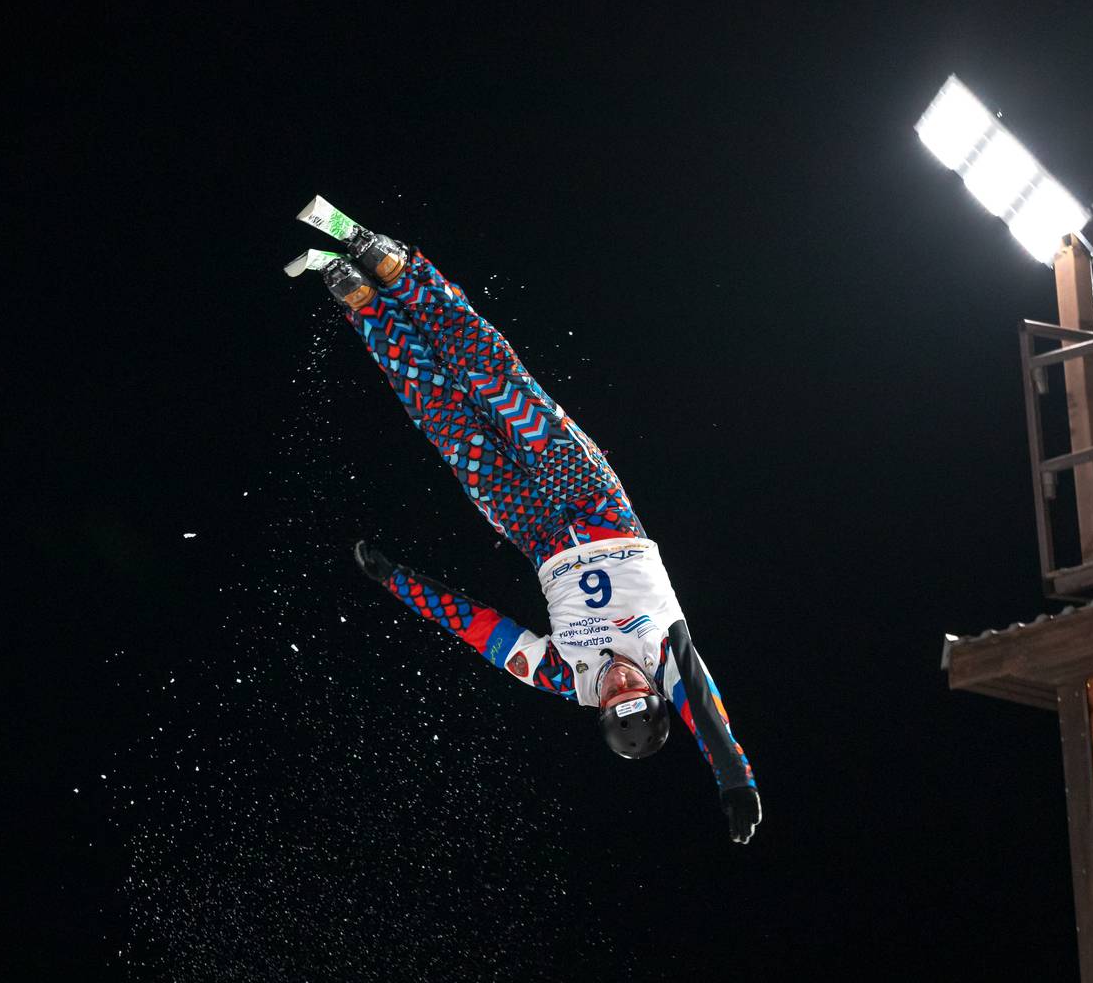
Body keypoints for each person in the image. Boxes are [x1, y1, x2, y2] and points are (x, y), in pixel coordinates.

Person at [295, 202, 761, 843]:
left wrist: (398, 581)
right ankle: (382, 257)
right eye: (635, 690)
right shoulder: (667, 661)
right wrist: (735, 782)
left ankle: (360, 298)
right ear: (653, 696)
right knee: (496, 381)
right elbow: (708, 716)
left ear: (601, 710)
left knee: (444, 416)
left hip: (534, 531)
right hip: (597, 506)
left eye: (614, 697)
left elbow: (477, 626)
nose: (621, 680)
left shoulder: (561, 676)